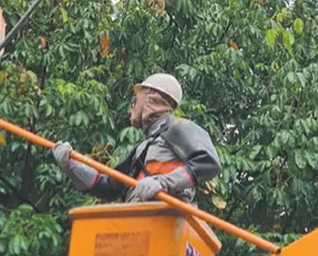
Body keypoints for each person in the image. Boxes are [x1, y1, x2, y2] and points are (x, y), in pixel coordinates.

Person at [51, 73, 220, 204]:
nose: (130, 108)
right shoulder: (144, 149)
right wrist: (70, 165)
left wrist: (164, 183)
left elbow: (208, 163)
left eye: (135, 100)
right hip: (138, 221)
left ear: (149, 98)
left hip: (168, 219)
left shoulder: (178, 127)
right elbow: (109, 187)